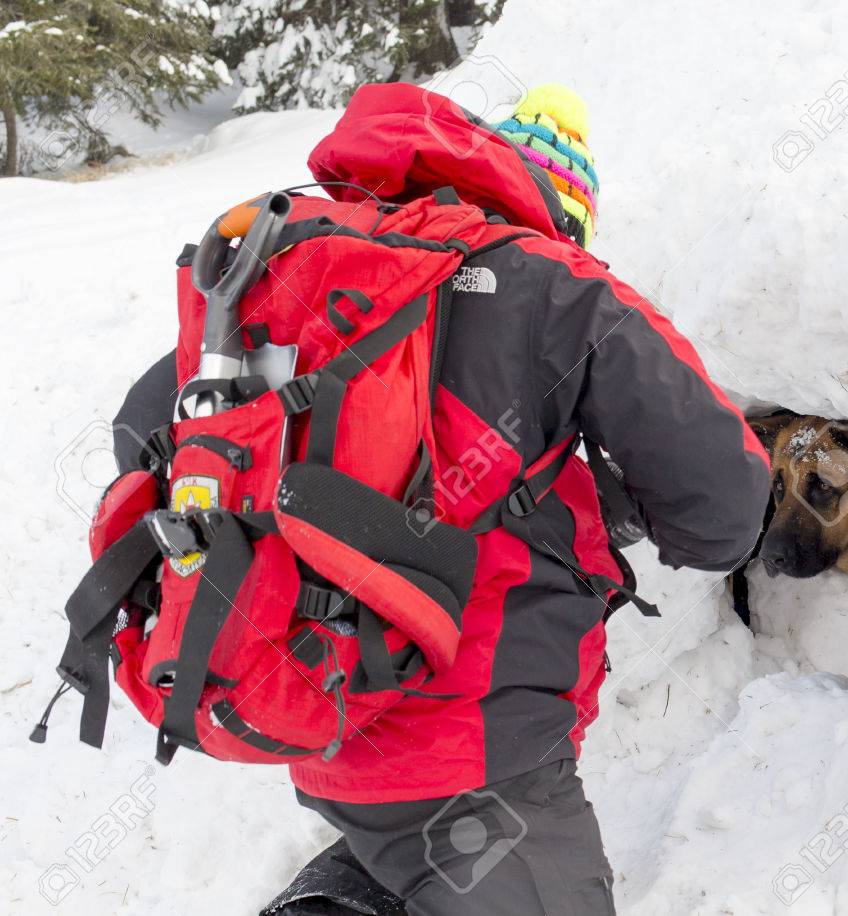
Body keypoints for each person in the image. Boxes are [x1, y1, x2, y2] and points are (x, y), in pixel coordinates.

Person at [111, 84, 771, 915]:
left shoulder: (302, 266)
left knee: (410, 851)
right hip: (478, 752)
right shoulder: (555, 284)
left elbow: (141, 435)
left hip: (322, 701)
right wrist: (592, 506)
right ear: (559, 211)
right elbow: (723, 509)